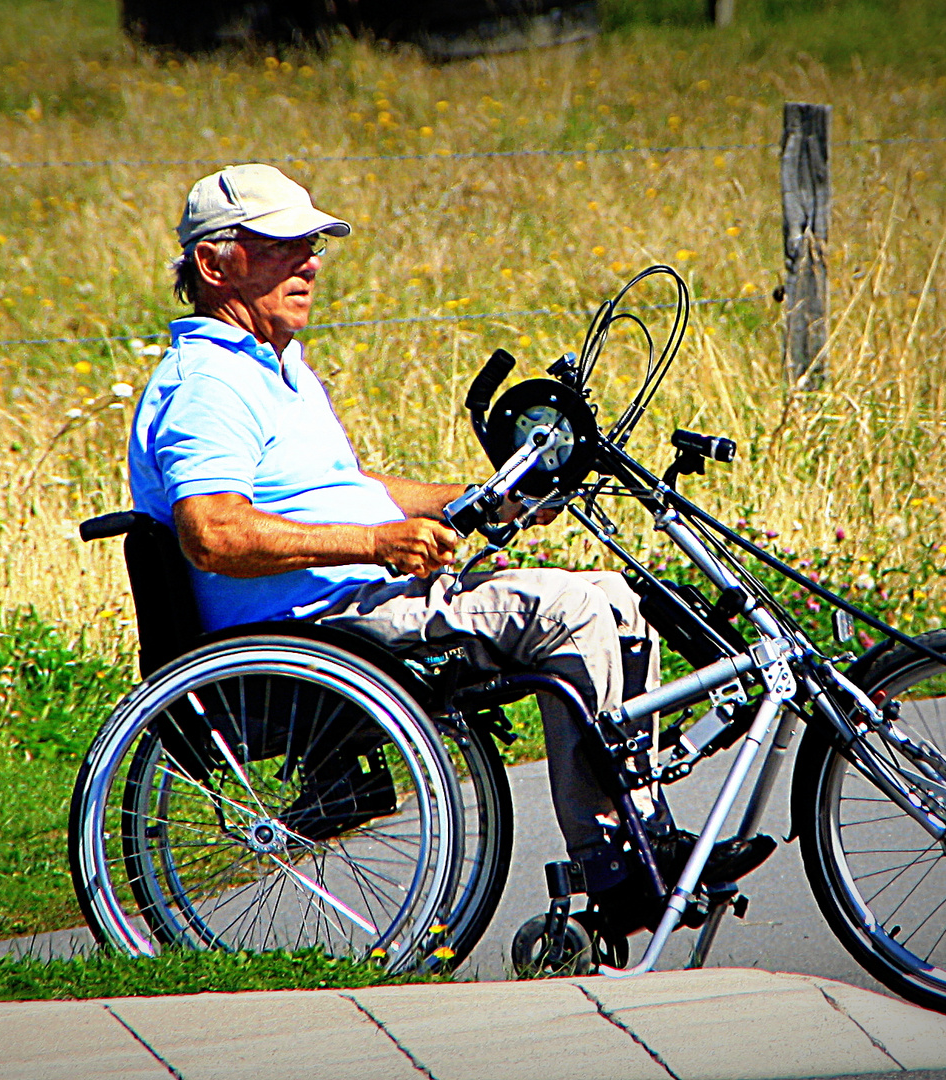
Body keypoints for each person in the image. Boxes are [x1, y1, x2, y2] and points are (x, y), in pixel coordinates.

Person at [128, 163, 685, 926]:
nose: (311, 261)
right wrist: (377, 543)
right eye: (284, 245)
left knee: (617, 598)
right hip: (317, 629)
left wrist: (477, 502)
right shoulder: (209, 386)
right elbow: (214, 533)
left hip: (358, 600)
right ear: (214, 263)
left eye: (313, 244)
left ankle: (645, 833)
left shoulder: (276, 367)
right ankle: (620, 869)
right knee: (568, 610)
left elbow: (344, 485)